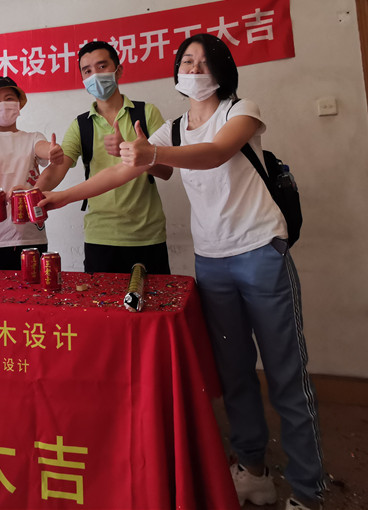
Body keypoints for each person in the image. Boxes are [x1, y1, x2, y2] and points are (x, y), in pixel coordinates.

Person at [40, 34, 325, 510]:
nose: (193, 70)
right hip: (211, 261)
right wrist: (61, 197)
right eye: (186, 62)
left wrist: (150, 154)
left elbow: (215, 152)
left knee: (285, 375)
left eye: (204, 62)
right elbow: (119, 172)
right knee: (233, 373)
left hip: (261, 252)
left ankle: (308, 490)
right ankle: (253, 470)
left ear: (223, 70)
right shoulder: (172, 129)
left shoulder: (240, 110)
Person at [34, 40, 173, 275]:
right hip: (100, 236)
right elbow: (57, 170)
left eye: (102, 66)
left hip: (147, 235)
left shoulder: (146, 113)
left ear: (118, 70)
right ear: (82, 79)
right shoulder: (81, 125)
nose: (95, 75)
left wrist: (136, 154)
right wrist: (32, 194)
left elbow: (167, 171)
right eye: (87, 71)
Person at [0, 76, 64, 269]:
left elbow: (43, 147)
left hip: (30, 237)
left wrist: (53, 151)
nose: (3, 104)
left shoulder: (33, 137)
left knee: (33, 288)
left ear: (19, 104)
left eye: (9, 98)